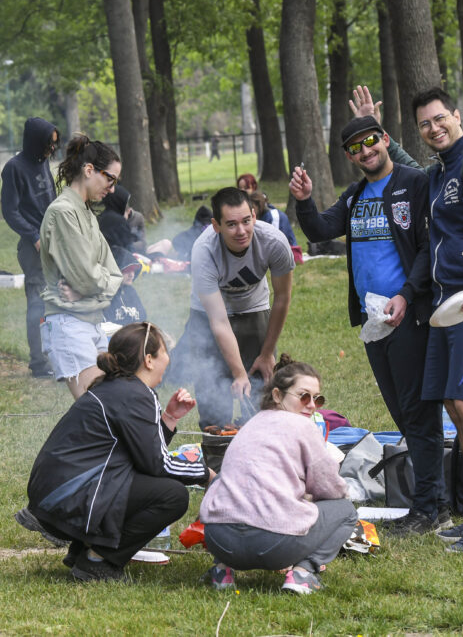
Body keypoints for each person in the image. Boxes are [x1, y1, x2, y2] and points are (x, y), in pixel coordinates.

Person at [352, 85, 463, 554]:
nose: (434, 128)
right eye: (425, 123)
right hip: (450, 307)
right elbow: (413, 167)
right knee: (453, 404)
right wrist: (378, 132)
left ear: (457, 115)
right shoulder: (443, 169)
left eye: (440, 118)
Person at [289, 115, 449, 537]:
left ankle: (430, 507)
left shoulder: (414, 184)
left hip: (408, 316)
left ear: (385, 140)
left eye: (371, 141)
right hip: (373, 323)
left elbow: (426, 249)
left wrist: (406, 294)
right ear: (349, 156)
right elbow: (321, 230)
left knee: (418, 413)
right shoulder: (357, 195)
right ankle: (433, 499)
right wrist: (305, 200)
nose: (365, 151)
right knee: (402, 412)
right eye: (356, 147)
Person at [19, 322, 212, 582]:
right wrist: (206, 474)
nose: (169, 358)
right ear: (148, 360)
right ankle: (97, 560)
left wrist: (168, 419)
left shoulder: (122, 388)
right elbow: (158, 465)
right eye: (164, 352)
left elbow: (141, 455)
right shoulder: (134, 395)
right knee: (172, 496)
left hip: (57, 493)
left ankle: (85, 548)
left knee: (149, 484)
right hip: (68, 497)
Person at [199, 355, 357, 594]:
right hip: (273, 546)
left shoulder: (249, 426)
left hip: (219, 540)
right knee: (346, 511)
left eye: (318, 399)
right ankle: (304, 573)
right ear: (276, 395)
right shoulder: (305, 427)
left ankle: (222, 570)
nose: (312, 405)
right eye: (304, 396)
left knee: (225, 482)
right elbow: (331, 489)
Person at [168, 187, 294, 430]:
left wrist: (267, 353)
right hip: (207, 316)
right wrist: (238, 373)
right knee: (213, 387)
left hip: (254, 308)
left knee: (262, 394)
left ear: (254, 216)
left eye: (246, 221)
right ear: (216, 226)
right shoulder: (203, 251)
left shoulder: (274, 243)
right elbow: (218, 321)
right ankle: (217, 455)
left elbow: (282, 299)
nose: (241, 231)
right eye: (232, 224)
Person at [38, 134, 123, 399]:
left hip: (93, 322)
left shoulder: (86, 213)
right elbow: (88, 277)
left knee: (111, 407)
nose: (112, 189)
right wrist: (94, 286)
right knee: (98, 412)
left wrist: (91, 288)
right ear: (89, 170)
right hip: (68, 324)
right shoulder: (63, 212)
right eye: (110, 179)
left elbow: (115, 274)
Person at [0, 117, 59, 378]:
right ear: (36, 141)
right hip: (33, 248)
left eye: (55, 144)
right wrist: (34, 237)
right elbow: (10, 211)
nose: (52, 149)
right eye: (49, 144)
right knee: (38, 303)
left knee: (59, 301)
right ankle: (38, 363)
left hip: (55, 243)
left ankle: (57, 355)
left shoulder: (43, 161)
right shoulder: (14, 168)